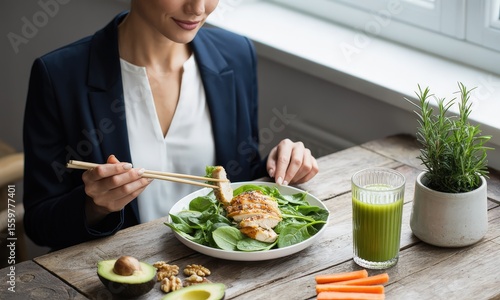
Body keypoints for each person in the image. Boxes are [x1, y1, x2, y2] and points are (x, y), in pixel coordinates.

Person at [23, 0, 318, 250]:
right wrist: (94, 207)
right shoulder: (59, 76)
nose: (198, 8)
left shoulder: (236, 54)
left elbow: (238, 177)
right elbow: (38, 223)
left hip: (222, 274)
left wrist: (277, 164)